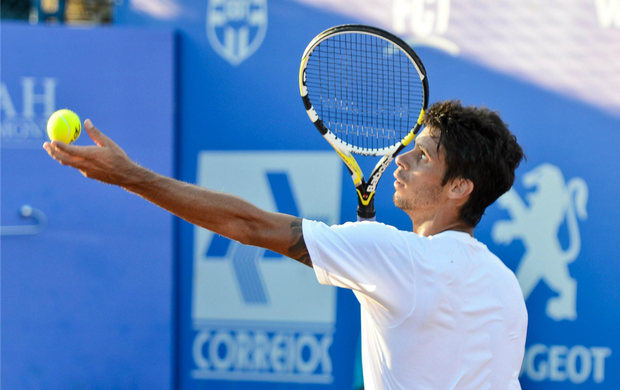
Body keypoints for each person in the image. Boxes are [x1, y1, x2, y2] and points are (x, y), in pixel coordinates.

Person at [44, 100, 527, 390]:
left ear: (459, 187)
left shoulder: (396, 255)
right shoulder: (504, 286)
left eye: (421, 156)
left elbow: (249, 225)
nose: (400, 160)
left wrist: (131, 176)